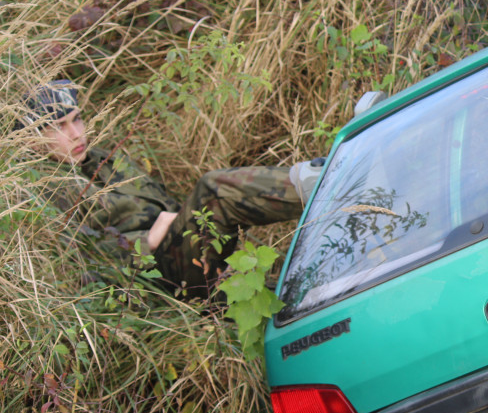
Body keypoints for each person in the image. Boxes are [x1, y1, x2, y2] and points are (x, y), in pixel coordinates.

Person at [17, 79, 323, 297]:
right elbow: (78, 265)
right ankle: (328, 183)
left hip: (180, 253)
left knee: (290, 296)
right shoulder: (40, 193)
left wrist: (177, 222)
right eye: (58, 127)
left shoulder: (103, 158)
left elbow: (163, 200)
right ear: (30, 138)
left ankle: (331, 182)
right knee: (213, 189)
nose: (75, 134)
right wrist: (147, 239)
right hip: (150, 278)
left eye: (77, 119)